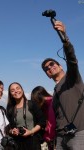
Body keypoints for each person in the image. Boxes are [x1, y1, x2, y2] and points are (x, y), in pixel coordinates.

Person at [41, 21, 84, 149]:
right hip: (61, 136)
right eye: (46, 68)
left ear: (60, 66)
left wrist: (64, 38)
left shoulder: (72, 78)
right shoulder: (55, 90)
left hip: (79, 134)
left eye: (52, 64)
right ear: (48, 75)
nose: (50, 67)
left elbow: (72, 60)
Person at [6, 82, 46, 150]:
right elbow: (8, 128)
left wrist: (31, 131)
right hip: (18, 143)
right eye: (12, 90)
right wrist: (12, 131)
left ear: (22, 90)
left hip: (33, 141)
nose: (16, 91)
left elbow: (42, 121)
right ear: (11, 95)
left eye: (18, 88)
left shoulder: (32, 104)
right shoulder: (10, 109)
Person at [31, 86, 56, 150]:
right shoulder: (52, 100)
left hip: (52, 136)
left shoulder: (49, 103)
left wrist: (48, 137)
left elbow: (51, 122)